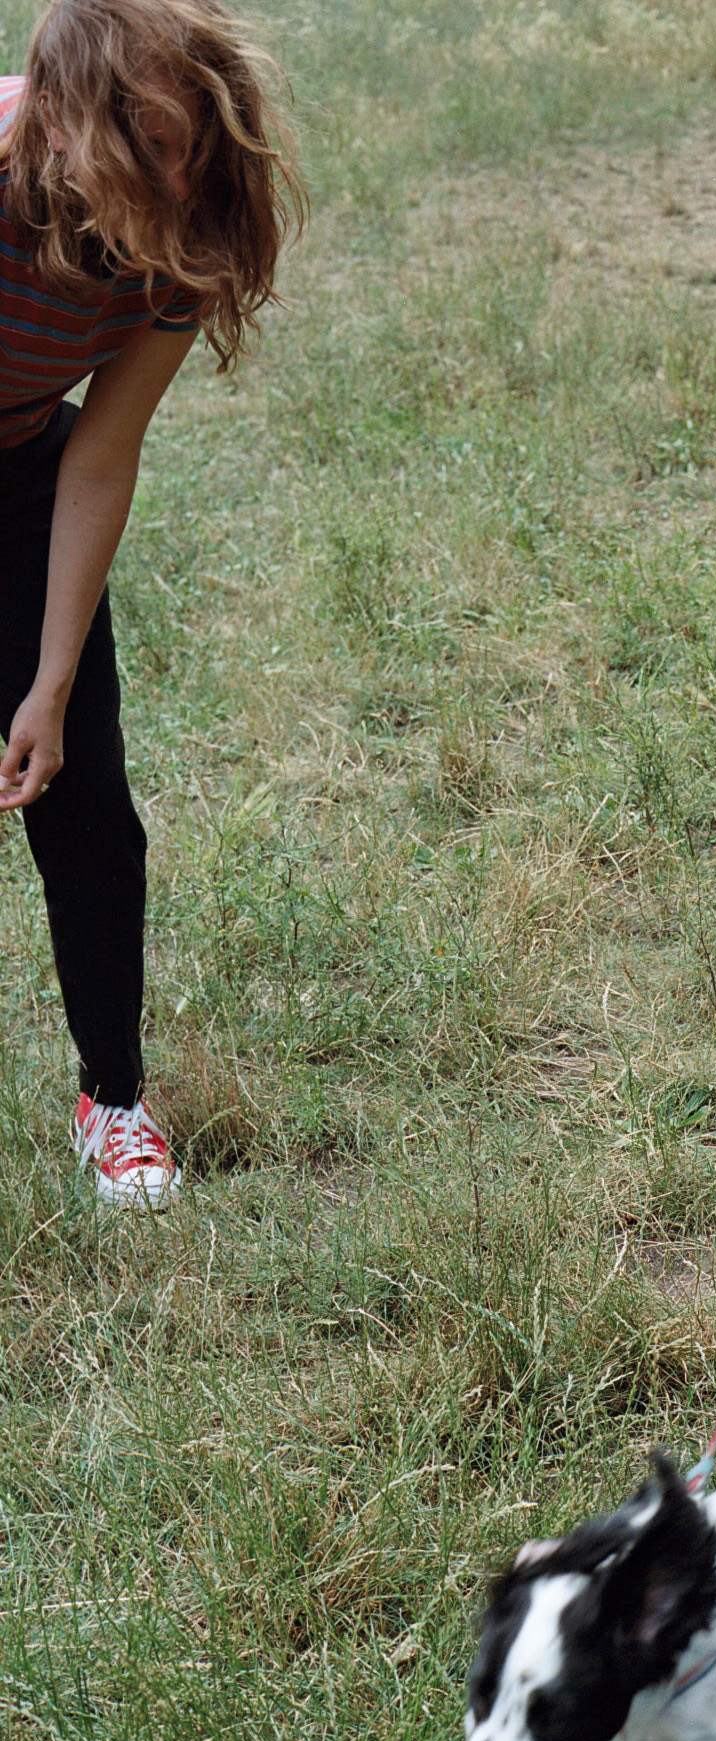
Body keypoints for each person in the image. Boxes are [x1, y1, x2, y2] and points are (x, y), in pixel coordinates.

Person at [0, 0, 303, 1207]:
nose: (174, 176)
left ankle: (112, 1101)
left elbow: (100, 451)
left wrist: (48, 685)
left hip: (27, 461)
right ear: (62, 129)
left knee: (82, 801)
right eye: (143, 147)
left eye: (188, 141)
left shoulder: (200, 221)